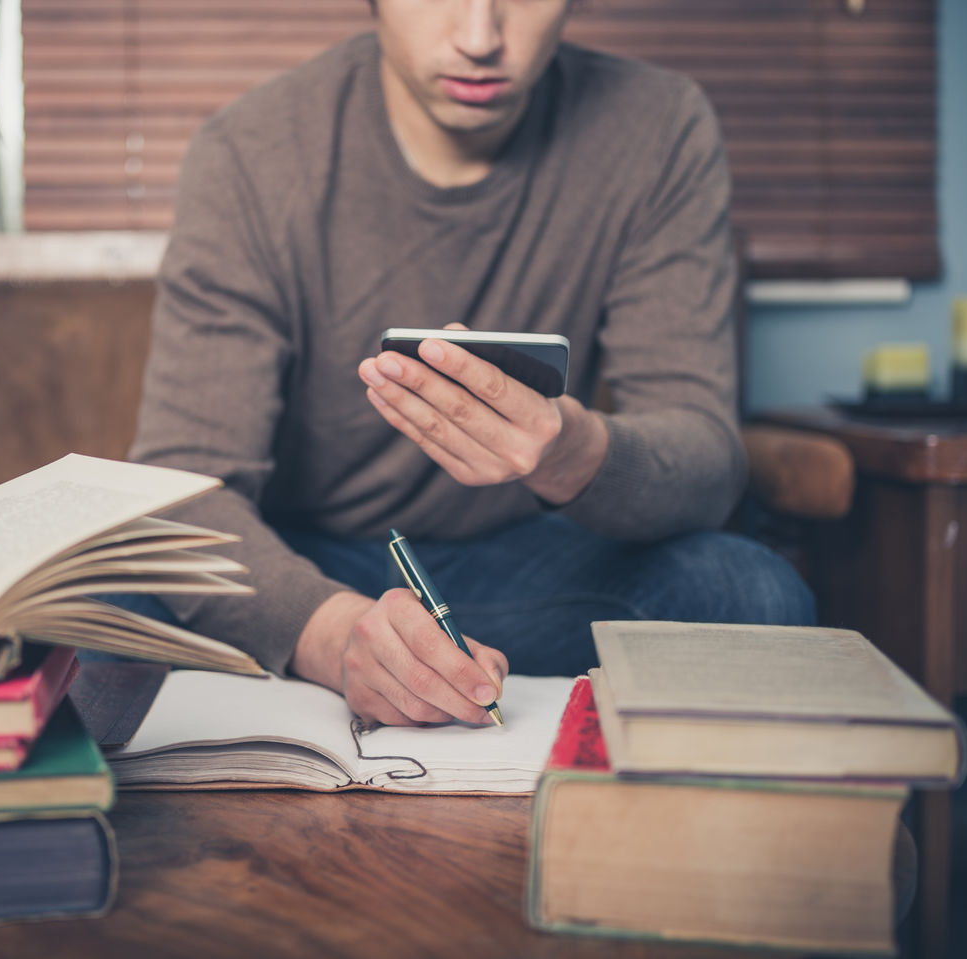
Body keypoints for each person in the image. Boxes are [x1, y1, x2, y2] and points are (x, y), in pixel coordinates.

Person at [124, 0, 815, 728]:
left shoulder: (659, 126)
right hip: (306, 564)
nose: (480, 38)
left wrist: (571, 450)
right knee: (93, 612)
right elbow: (185, 488)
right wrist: (329, 634)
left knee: (751, 593)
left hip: (528, 565)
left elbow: (707, 461)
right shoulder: (251, 150)